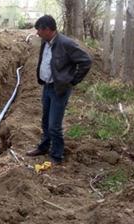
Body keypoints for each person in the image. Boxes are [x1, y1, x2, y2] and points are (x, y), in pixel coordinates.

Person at [26, 15, 92, 164]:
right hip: (47, 86)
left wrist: (72, 80)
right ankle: (43, 147)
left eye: (39, 30)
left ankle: (56, 155)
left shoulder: (66, 44)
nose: (37, 34)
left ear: (48, 30)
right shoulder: (46, 41)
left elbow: (86, 61)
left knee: (54, 125)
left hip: (59, 89)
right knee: (45, 121)